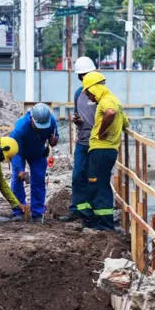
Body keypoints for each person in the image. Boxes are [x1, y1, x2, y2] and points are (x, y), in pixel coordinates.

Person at [81, 71, 129, 232]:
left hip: (101, 150)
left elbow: (110, 113)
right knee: (96, 182)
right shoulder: (115, 100)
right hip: (107, 150)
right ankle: (95, 220)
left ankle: (104, 224)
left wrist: (102, 131)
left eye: (88, 92)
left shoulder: (106, 102)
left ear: (94, 88)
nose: (89, 97)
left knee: (99, 185)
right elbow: (126, 122)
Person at [61, 56, 98, 222]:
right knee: (77, 176)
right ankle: (78, 209)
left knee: (94, 177)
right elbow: (79, 113)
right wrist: (76, 120)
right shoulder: (78, 94)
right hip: (82, 141)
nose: (83, 79)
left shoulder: (101, 93)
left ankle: (93, 210)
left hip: (97, 142)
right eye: (81, 76)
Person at [9, 103, 59, 222]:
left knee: (39, 179)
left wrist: (53, 141)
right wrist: (20, 169)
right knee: (17, 179)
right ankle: (19, 210)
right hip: (19, 151)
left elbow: (54, 140)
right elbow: (15, 152)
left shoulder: (51, 121)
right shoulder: (20, 128)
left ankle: (37, 212)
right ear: (32, 119)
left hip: (38, 152)